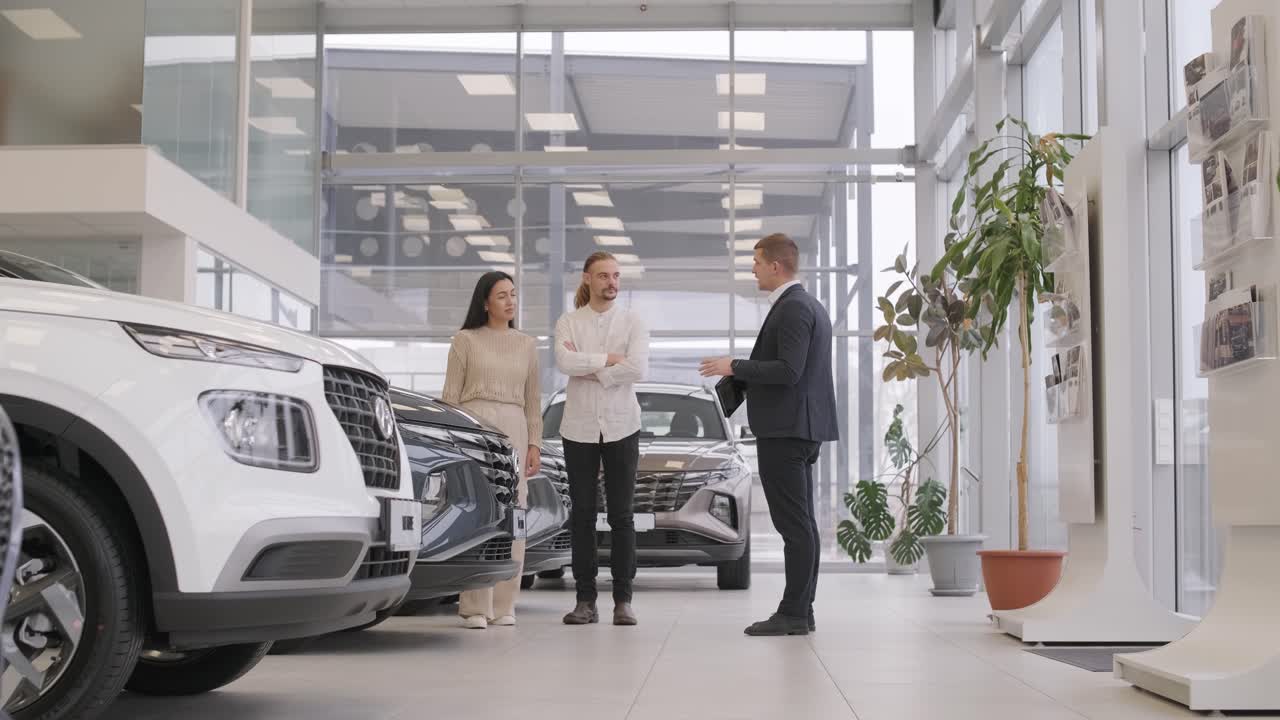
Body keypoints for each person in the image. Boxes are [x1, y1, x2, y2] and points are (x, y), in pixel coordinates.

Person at [699, 233, 838, 637]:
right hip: (799, 428)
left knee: (794, 526)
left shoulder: (793, 308)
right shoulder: (805, 305)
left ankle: (794, 611)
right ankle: (802, 610)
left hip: (787, 430)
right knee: (803, 523)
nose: (754, 269)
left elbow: (788, 371)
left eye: (757, 262)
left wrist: (734, 366)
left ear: (776, 266)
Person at [441, 271, 542, 630]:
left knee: (514, 513)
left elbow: (533, 401)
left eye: (513, 294)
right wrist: (452, 440)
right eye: (502, 296)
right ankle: (474, 605)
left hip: (514, 427)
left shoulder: (527, 344)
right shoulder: (465, 340)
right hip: (475, 427)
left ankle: (505, 603)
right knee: (477, 512)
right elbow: (450, 397)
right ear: (485, 302)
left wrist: (534, 443)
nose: (510, 301)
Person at [554, 251, 650, 626]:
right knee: (582, 515)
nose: (612, 283)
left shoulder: (632, 322)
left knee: (622, 515)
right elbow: (563, 363)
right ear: (587, 279)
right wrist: (610, 359)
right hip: (578, 428)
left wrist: (593, 367)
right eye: (604, 276)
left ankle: (623, 600)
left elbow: (638, 367)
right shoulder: (568, 321)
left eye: (616, 276)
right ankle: (585, 600)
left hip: (622, 425)